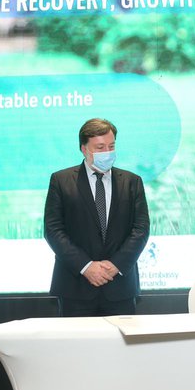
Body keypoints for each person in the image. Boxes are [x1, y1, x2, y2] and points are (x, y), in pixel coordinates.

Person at [44, 118, 150, 317]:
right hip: (76, 288)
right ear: (84, 149)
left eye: (111, 146)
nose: (107, 153)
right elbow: (53, 230)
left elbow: (141, 229)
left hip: (120, 287)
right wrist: (86, 267)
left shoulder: (132, 182)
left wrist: (116, 265)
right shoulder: (61, 180)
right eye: (100, 147)